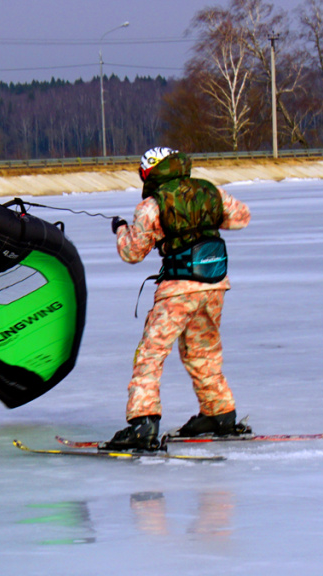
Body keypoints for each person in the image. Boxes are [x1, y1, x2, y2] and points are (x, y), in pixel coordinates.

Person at [105, 147, 251, 451]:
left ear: (149, 173)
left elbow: (131, 253)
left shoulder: (152, 205)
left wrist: (121, 230)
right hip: (214, 284)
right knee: (203, 350)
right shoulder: (210, 192)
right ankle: (219, 413)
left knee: (151, 354)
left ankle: (143, 423)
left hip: (177, 290)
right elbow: (240, 218)